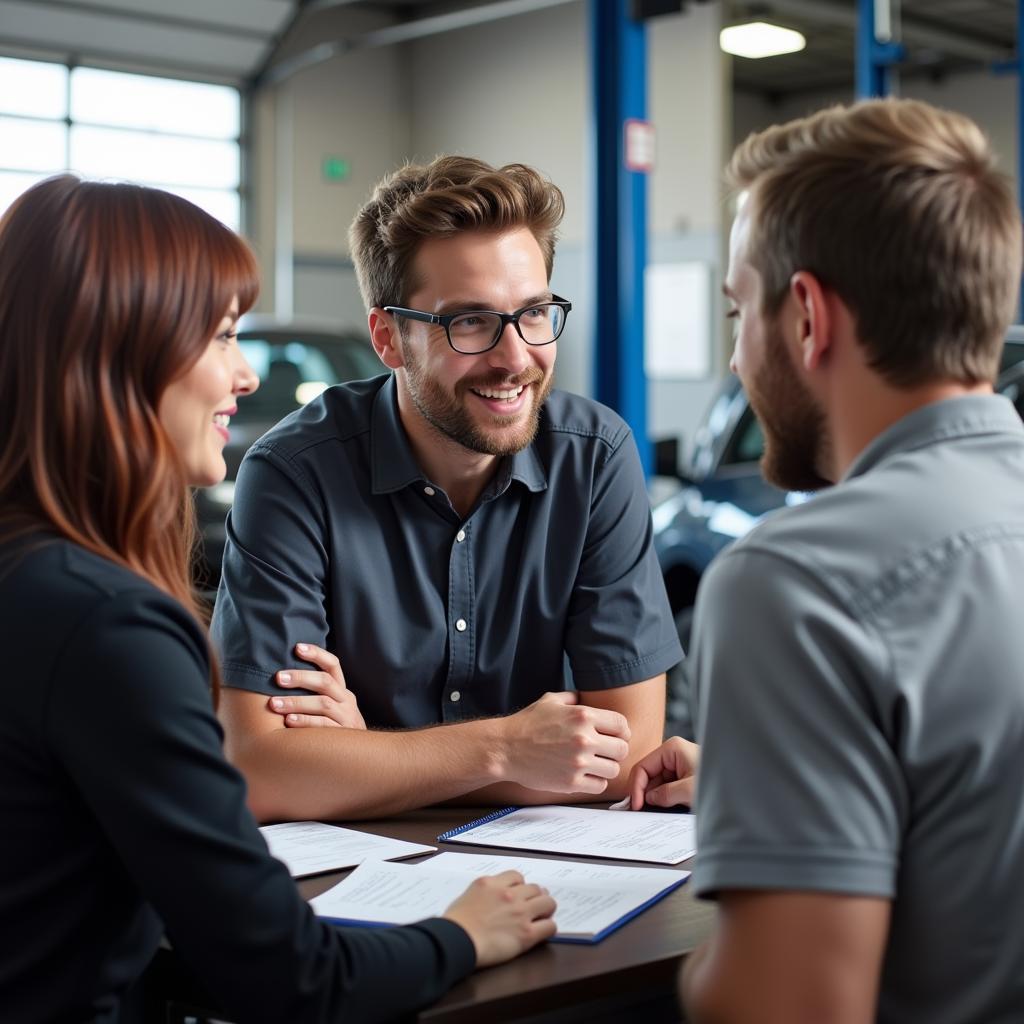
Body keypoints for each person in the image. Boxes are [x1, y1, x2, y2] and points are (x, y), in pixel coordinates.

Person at [0, 175, 557, 1024]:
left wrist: (361, 753)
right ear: (121, 355)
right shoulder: (105, 625)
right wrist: (464, 932)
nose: (247, 373)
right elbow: (292, 976)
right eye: (222, 335)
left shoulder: (33, 578)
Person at [628, 98, 1024, 1023]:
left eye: (738, 310)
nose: (735, 355)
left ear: (806, 316)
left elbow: (783, 1007)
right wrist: (769, 778)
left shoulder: (798, 584)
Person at [211, 156, 679, 821]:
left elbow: (628, 757)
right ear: (389, 339)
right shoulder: (295, 471)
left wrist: (362, 757)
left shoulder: (594, 458)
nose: (516, 357)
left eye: (535, 313)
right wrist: (505, 749)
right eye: (470, 322)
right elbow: (260, 770)